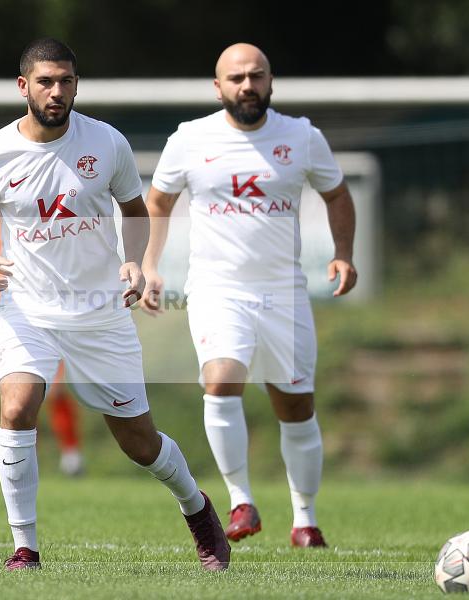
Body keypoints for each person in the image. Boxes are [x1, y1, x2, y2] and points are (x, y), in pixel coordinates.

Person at [0, 38, 230, 571]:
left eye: (67, 82)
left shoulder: (106, 143)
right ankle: (24, 548)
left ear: (76, 84)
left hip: (100, 312)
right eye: (46, 82)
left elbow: (134, 209)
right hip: (26, 308)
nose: (57, 92)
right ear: (23, 87)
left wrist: (135, 262)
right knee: (17, 406)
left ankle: (197, 509)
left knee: (138, 442)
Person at [141, 43, 357, 549]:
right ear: (218, 88)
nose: (247, 85)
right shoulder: (191, 139)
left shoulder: (302, 137)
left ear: (270, 81)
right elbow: (157, 200)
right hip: (218, 289)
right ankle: (241, 501)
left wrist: (343, 252)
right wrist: (149, 265)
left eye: (256, 76)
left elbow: (337, 194)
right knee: (221, 382)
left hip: (285, 293)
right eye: (235, 78)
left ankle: (305, 519)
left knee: (296, 406)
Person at [0, 212, 85, 477]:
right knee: (11, 388)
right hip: (1, 314)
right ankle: (22, 459)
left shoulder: (34, 211)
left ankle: (71, 454)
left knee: (55, 387)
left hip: (44, 309)